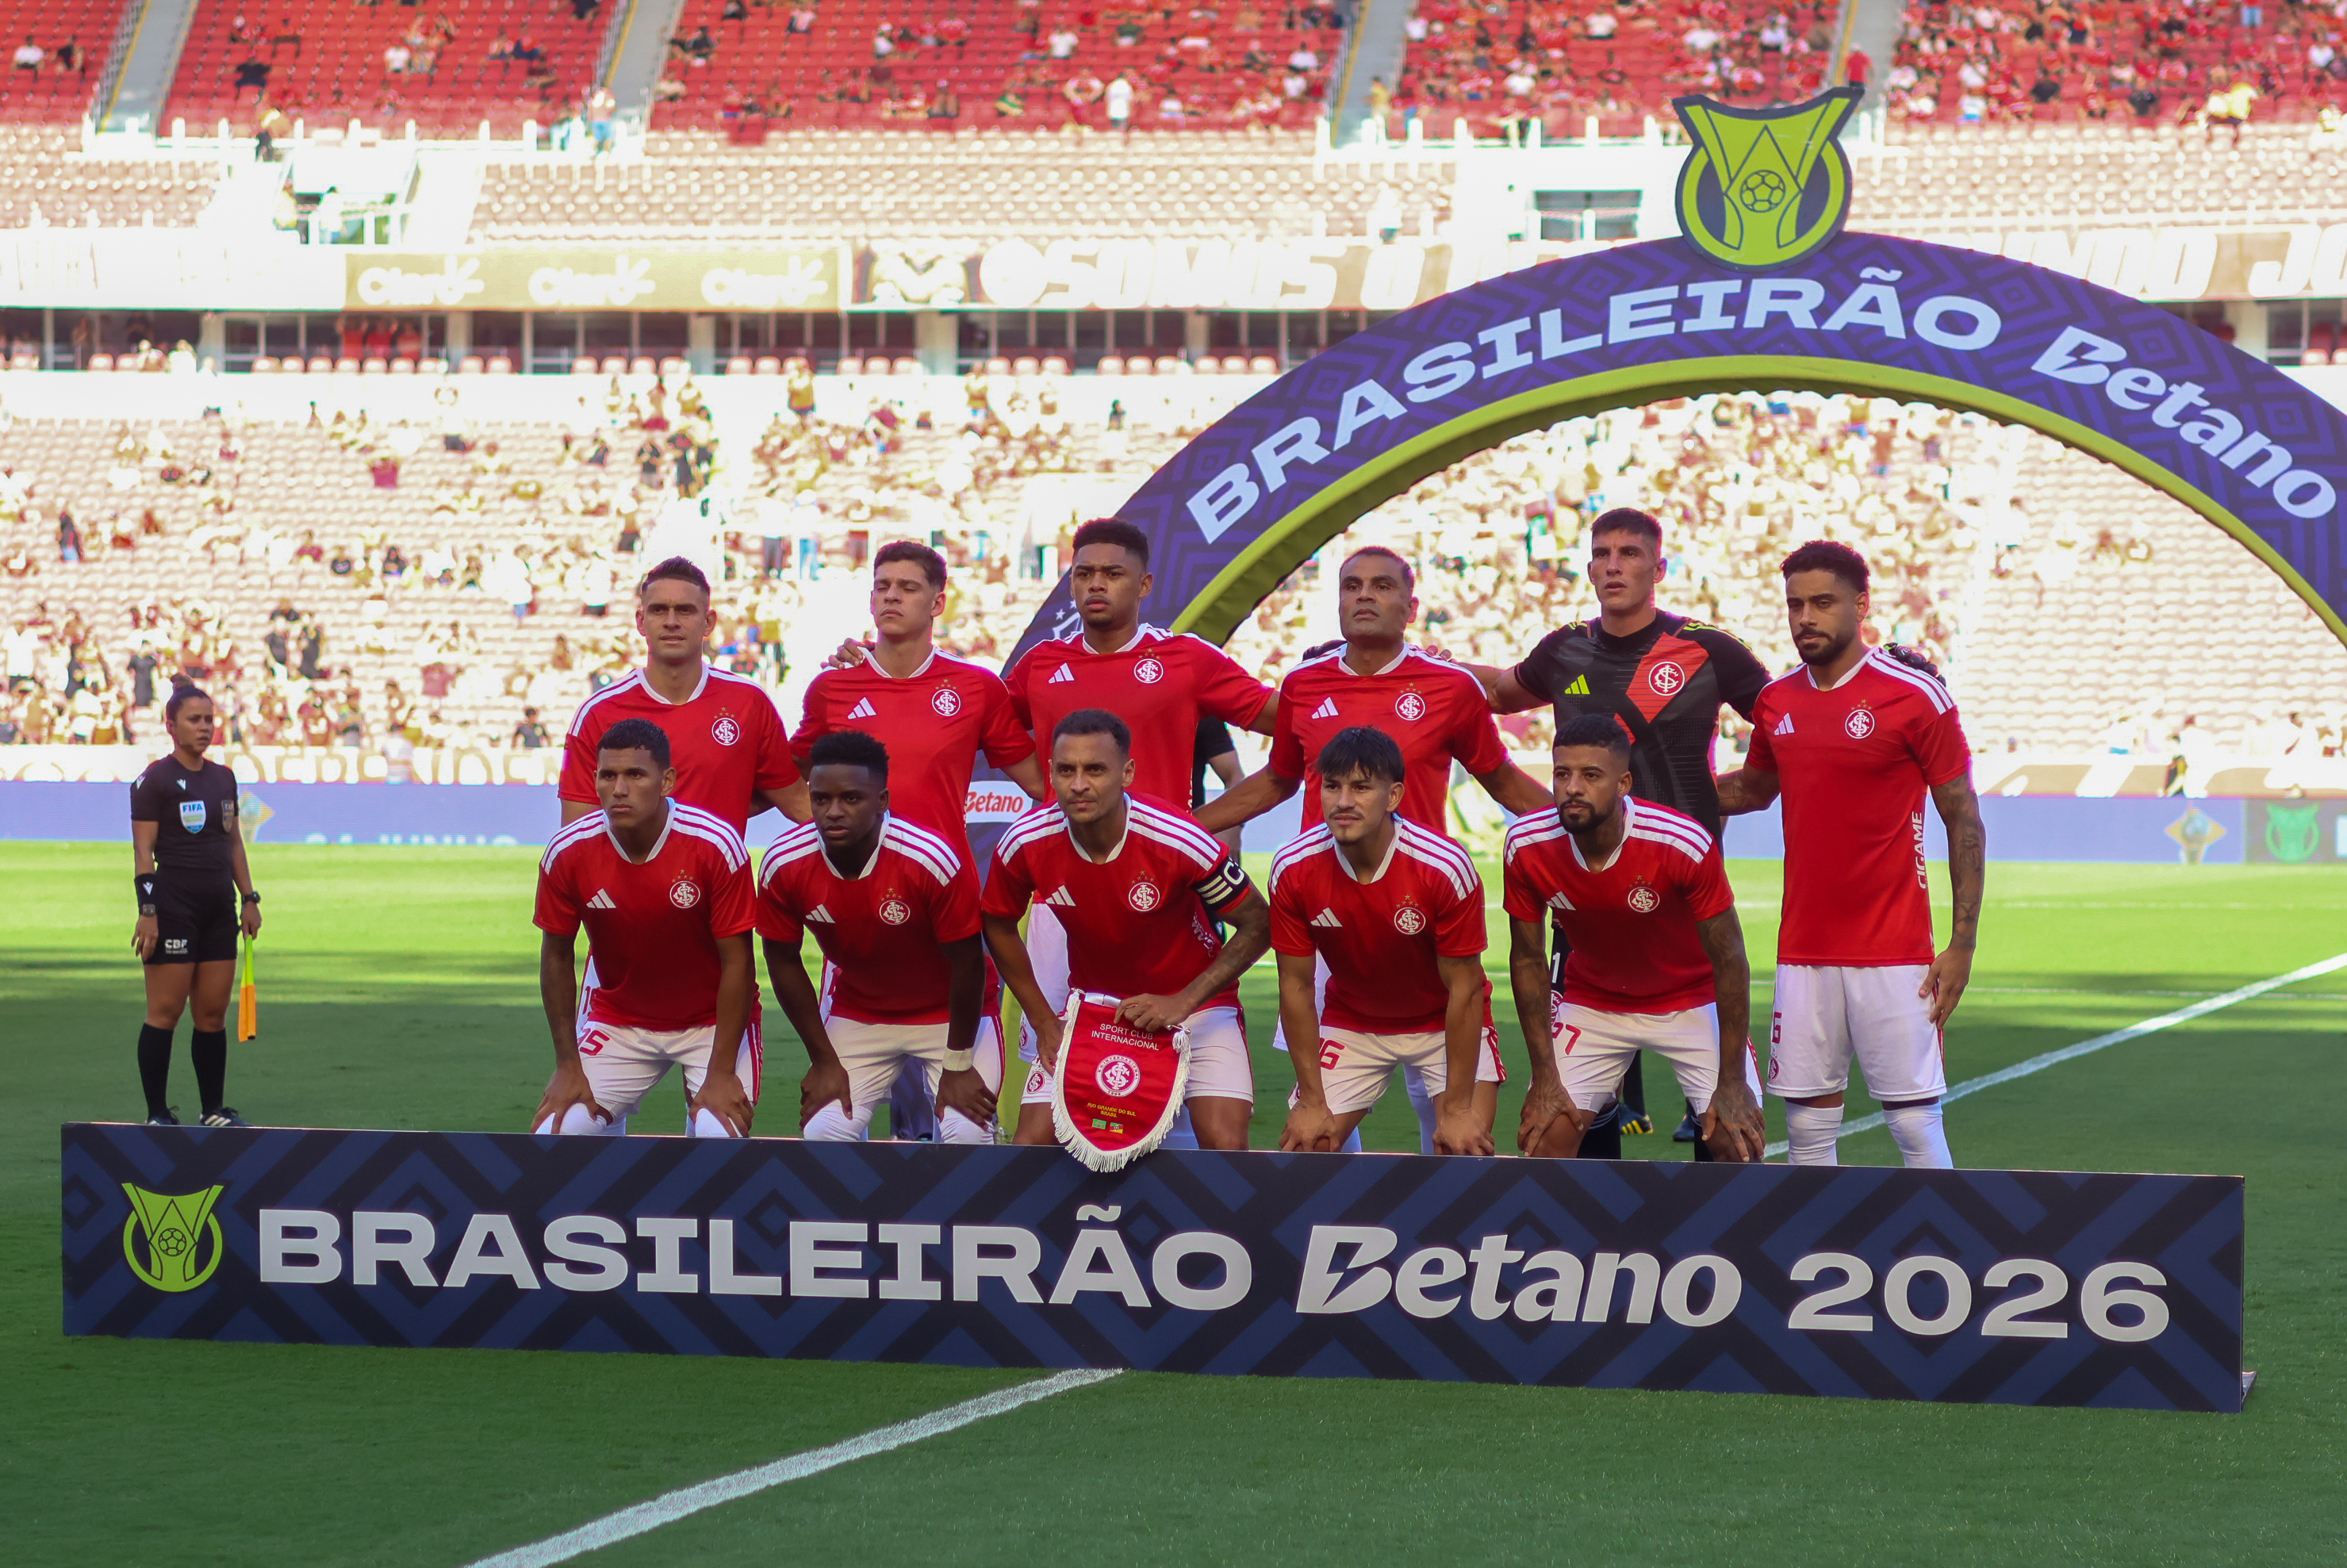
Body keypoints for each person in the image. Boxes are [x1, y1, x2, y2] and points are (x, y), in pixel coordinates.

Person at [1198, 544, 1547, 1151]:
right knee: (1318, 1125)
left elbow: (1506, 782)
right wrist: (1185, 827)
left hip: (1423, 910)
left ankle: (1440, 1235)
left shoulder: (1450, 687)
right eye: (1351, 585)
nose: (1363, 596)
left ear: (1410, 607)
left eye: (1381, 586)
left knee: (1446, 1124)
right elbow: (1277, 780)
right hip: (1329, 909)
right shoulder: (1304, 685)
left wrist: (1591, 829)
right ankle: (1339, 1234)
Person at [1464, 507, 1770, 1152]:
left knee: (1721, 1125)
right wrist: (1427, 666)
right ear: (1587, 567)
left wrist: (1746, 791)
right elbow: (1495, 694)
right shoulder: (1562, 648)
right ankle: (1595, 1244)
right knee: (1581, 1114)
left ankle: (1711, 1243)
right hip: (1587, 897)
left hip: (1681, 897)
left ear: (1658, 568)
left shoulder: (1708, 648)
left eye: (1629, 553)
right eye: (1602, 553)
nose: (1613, 564)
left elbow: (1784, 723)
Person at [1714, 540, 1985, 1169]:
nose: (1804, 617)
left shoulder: (1914, 696)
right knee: (1807, 1135)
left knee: (1915, 1127)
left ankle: (1946, 1260)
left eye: (1821, 602)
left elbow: (1962, 817)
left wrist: (1961, 944)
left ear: (1860, 605)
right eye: (1794, 605)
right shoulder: (1775, 701)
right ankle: (1814, 1262)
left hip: (1895, 953)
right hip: (1803, 952)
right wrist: (1662, 787)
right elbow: (1751, 791)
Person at [791, 540, 1045, 1137]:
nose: (891, 596)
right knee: (845, 1124)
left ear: (937, 601)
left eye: (906, 587)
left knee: (961, 1130)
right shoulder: (832, 688)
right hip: (856, 918)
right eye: (882, 585)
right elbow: (785, 779)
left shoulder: (976, 688)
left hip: (945, 913)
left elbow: (1039, 785)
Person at [982, 710, 1271, 1150]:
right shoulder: (1025, 842)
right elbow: (997, 923)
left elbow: (1258, 924)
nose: (1079, 784)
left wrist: (1184, 1001)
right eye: (1066, 770)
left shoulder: (1180, 839)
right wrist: (1043, 1019)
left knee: (1225, 1150)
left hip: (1197, 1008)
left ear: (1127, 773)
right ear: (1052, 774)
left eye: (1095, 769)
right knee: (1030, 1150)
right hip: (1095, 1009)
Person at [1504, 714, 1766, 1162]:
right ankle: (1599, 1133)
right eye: (1562, 773)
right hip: (1594, 1001)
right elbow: (1527, 959)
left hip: (1691, 998)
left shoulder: (1681, 842)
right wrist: (1545, 1075)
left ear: (1623, 783)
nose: (1572, 788)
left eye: (1590, 775)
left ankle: (1707, 1231)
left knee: (1736, 1143)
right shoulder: (1526, 845)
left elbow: (1730, 959)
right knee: (1544, 1141)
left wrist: (1732, 1081)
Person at [757, 730, 995, 1142]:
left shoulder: (929, 859)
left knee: (967, 1136)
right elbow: (781, 959)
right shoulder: (784, 864)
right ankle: (855, 1210)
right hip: (860, 1010)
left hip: (949, 1015)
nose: (834, 811)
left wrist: (958, 1064)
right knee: (824, 1132)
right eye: (821, 799)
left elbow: (969, 961)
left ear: (882, 802)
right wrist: (823, 1060)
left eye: (851, 799)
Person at [1269, 727, 1497, 1156]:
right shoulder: (1293, 867)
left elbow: (1464, 990)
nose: (1343, 802)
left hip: (1440, 1021)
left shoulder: (1443, 866)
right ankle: (1345, 1223)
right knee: (1307, 1145)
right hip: (1354, 1019)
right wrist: (1311, 1101)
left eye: (1361, 787)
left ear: (1393, 796)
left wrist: (1460, 1106)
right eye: (1332, 786)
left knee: (1464, 1150)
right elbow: (1297, 986)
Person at [531, 718, 757, 1137]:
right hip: (620, 1019)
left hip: (711, 1022)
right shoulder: (567, 852)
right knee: (557, 1134)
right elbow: (557, 956)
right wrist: (567, 1065)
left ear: (666, 780)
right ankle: (606, 1198)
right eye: (608, 775)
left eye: (635, 774)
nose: (619, 789)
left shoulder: (715, 845)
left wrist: (722, 1072)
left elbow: (739, 962)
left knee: (716, 1135)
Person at [558, 555, 793, 835]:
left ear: (708, 622)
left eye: (685, 611)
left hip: (721, 880)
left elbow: (799, 803)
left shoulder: (749, 703)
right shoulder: (598, 713)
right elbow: (574, 839)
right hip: (629, 880)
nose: (671, 622)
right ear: (641, 621)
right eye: (658, 610)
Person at [129, 686, 262, 1127]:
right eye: (194, 720)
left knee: (211, 1015)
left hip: (219, 909)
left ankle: (212, 1111)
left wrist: (249, 898)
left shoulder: (224, 777)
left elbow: (234, 843)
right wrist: (148, 912)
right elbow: (143, 852)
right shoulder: (155, 780)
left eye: (209, 719)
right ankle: (157, 1114)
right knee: (165, 1013)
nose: (205, 727)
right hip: (174, 908)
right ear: (171, 726)